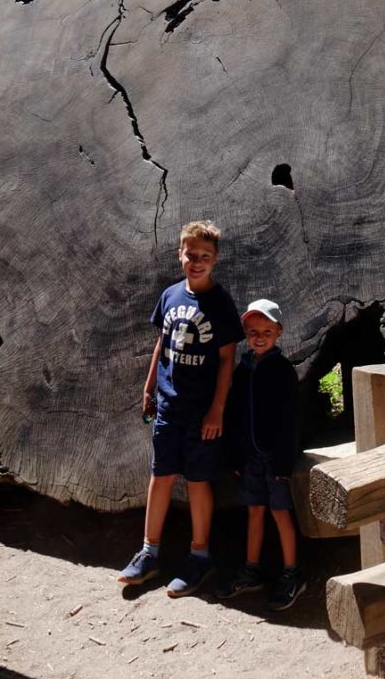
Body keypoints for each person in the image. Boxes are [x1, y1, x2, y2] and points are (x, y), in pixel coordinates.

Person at [118, 220, 245, 596]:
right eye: (191, 254)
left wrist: (217, 410)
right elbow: (162, 343)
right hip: (169, 408)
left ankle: (200, 556)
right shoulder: (171, 295)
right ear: (180, 254)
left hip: (201, 413)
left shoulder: (220, 304)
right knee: (161, 477)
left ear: (215, 260)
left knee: (199, 483)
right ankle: (148, 553)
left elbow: (226, 360)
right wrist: (149, 385)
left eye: (205, 256)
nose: (197, 261)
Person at [219, 298, 305, 611]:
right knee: (254, 509)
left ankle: (292, 572)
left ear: (278, 332)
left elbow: (290, 420)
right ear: (246, 332)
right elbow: (235, 415)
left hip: (275, 460)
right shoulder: (243, 371)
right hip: (251, 459)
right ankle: (251, 569)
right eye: (253, 330)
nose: (259, 336)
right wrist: (235, 457)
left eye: (266, 330)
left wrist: (284, 461)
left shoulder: (283, 372)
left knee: (280, 512)